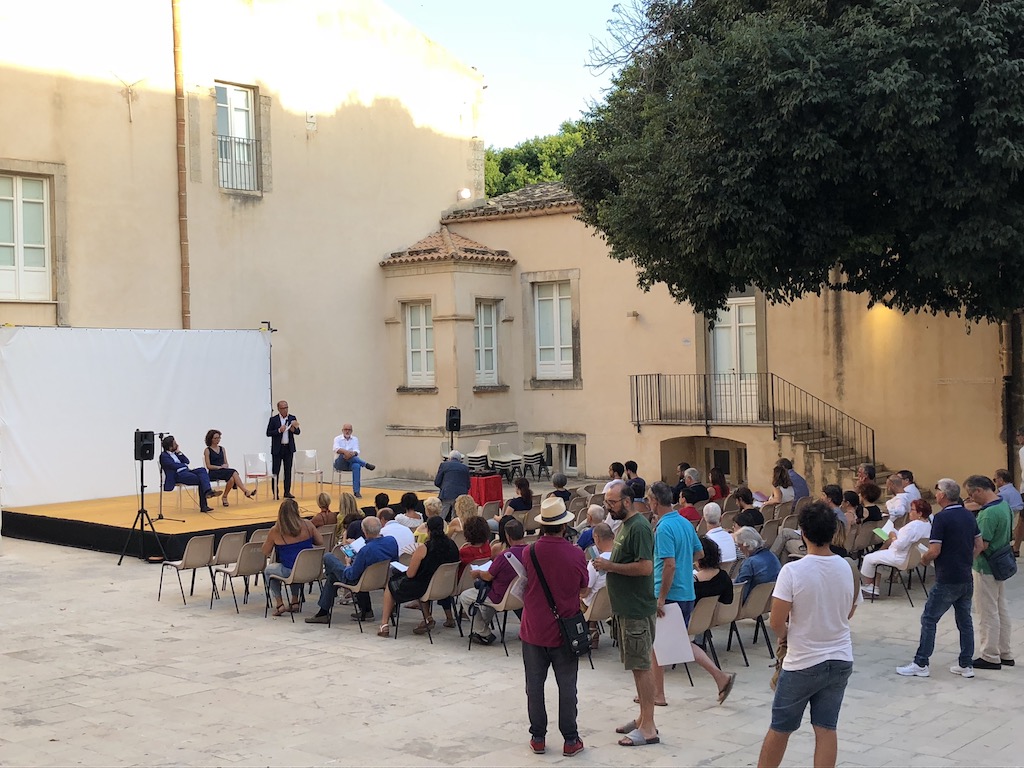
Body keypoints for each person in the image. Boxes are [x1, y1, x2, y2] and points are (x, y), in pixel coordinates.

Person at [757, 501, 860, 768]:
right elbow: (849, 611)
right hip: (840, 657)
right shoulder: (846, 567)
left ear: (802, 533)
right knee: (826, 728)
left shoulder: (792, 570)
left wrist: (785, 635)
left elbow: (776, 620)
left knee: (780, 727)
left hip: (803, 661)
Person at [592, 481, 659, 747]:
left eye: (612, 502)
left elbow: (645, 567)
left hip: (636, 609)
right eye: (607, 502)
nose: (608, 507)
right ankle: (643, 717)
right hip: (626, 608)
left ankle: (649, 727)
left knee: (642, 666)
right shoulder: (626, 526)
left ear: (628, 502)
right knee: (636, 665)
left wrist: (610, 566)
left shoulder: (639, 527)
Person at [520, 497, 588, 757]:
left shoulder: (529, 552)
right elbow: (583, 587)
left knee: (534, 685)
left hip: (534, 628)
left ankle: (538, 737)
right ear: (564, 526)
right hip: (565, 630)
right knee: (567, 686)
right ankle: (570, 739)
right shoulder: (576, 554)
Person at [897, 478, 981, 678]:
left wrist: (924, 559)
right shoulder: (968, 515)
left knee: (929, 618)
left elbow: (935, 550)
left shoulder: (941, 518)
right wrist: (966, 561)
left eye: (937, 492)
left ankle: (921, 662)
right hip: (965, 575)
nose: (936, 495)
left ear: (942, 495)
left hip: (947, 577)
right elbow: (979, 545)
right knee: (965, 621)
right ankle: (966, 663)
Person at [647, 480, 704, 708]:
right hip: (686, 591)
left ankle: (658, 694)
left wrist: (661, 597)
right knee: (673, 643)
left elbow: (669, 565)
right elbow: (699, 553)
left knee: (658, 645)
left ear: (655, 501)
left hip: (670, 593)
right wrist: (683, 563)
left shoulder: (663, 528)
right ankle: (720, 677)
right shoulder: (684, 522)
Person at [305, 515, 398, 624]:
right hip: (381, 579)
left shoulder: (365, 551)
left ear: (364, 531)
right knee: (332, 577)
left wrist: (348, 563)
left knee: (328, 557)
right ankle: (365, 611)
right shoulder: (391, 541)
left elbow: (351, 575)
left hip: (359, 581)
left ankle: (323, 613)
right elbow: (394, 560)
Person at [377, 515, 459, 637]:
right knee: (421, 580)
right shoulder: (452, 545)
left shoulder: (424, 548)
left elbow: (410, 574)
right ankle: (432, 618)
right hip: (446, 585)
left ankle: (384, 625)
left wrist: (414, 557)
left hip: (426, 586)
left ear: (428, 529)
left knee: (392, 583)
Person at [965, 474, 1014, 670]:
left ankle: (989, 655)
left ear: (978, 490)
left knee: (987, 611)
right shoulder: (1003, 505)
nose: (970, 498)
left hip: (986, 567)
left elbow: (981, 544)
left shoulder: (987, 514)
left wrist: (966, 561)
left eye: (971, 494)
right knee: (1001, 608)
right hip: (1001, 562)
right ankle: (1004, 652)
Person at [460, 518, 529, 646]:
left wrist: (478, 573)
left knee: (465, 596)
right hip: (522, 595)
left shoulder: (504, 556)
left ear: (508, 537)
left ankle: (483, 632)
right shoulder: (530, 551)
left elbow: (488, 576)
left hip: (500, 597)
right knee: (486, 596)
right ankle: (483, 627)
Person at [692, 536, 739, 702]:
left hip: (689, 623)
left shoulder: (693, 584)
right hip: (709, 621)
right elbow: (728, 600)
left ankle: (720, 676)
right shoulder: (723, 577)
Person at [262, 499, 323, 616]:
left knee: (269, 570)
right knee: (297, 566)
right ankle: (295, 600)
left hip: (291, 571)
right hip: (311, 569)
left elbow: (265, 551)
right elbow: (320, 541)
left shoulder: (276, 530)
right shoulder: (308, 525)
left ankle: (279, 604)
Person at [860, 498, 931, 597]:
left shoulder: (912, 527)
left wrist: (893, 536)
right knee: (879, 555)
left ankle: (870, 586)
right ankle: (874, 586)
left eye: (912, 510)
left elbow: (899, 545)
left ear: (919, 513)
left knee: (868, 558)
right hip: (913, 557)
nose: (909, 512)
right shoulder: (928, 525)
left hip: (900, 557)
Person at [159, 435, 219, 513]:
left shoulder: (176, 454)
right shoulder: (164, 456)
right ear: (170, 447)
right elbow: (172, 465)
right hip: (178, 475)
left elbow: (187, 461)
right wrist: (183, 465)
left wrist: (179, 452)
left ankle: (208, 492)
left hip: (187, 471)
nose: (177, 445)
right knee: (202, 480)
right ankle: (206, 499)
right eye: (175, 443)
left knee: (202, 470)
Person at [202, 429, 255, 505]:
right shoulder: (207, 450)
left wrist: (225, 466)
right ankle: (245, 491)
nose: (218, 440)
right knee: (233, 472)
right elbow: (208, 466)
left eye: (219, 438)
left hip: (223, 470)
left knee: (231, 479)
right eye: (215, 438)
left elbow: (226, 463)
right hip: (214, 471)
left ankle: (225, 496)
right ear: (211, 439)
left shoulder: (222, 449)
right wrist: (218, 467)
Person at [734, 527, 782, 603]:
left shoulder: (749, 563)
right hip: (770, 601)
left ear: (746, 545)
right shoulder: (773, 556)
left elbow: (739, 591)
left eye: (739, 546)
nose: (739, 549)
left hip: (751, 603)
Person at [266, 400, 299, 499]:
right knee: (275, 471)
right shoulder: (273, 419)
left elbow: (298, 431)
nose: (285, 410)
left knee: (288, 471)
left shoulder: (292, 418)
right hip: (278, 449)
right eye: (283, 408)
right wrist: (279, 430)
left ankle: (287, 492)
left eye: (286, 407)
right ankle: (275, 493)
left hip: (288, 448)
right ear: (278, 409)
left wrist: (294, 429)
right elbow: (268, 433)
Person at [332, 423, 376, 499]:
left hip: (351, 462)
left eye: (349, 430)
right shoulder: (337, 438)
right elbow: (336, 449)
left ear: (351, 431)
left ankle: (356, 492)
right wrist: (346, 452)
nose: (347, 431)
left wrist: (352, 453)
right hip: (340, 463)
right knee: (343, 455)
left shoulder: (355, 439)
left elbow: (356, 450)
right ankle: (365, 464)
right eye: (345, 429)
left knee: (357, 466)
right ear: (342, 430)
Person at [993, 469, 1024, 556]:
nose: (995, 483)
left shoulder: (1003, 494)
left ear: (1001, 480)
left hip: (1007, 520)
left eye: (995, 480)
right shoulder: (1014, 490)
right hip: (1014, 517)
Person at [434, 450, 471, 519]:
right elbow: (468, 485)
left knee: (442, 514)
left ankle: (439, 525)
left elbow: (437, 481)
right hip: (460, 495)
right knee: (456, 517)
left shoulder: (444, 465)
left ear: (450, 458)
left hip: (447, 493)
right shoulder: (465, 468)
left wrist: (443, 487)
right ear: (460, 459)